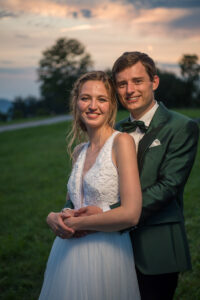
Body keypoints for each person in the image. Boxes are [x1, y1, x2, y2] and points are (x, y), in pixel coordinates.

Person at [48, 52, 199, 300]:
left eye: (138, 81)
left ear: (155, 82)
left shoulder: (181, 126)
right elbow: (84, 185)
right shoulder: (113, 132)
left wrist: (108, 212)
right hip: (107, 246)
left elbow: (168, 186)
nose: (130, 90)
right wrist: (66, 212)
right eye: (122, 84)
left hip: (155, 245)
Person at [39, 71, 142, 300]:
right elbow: (71, 204)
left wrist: (77, 223)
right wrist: (54, 217)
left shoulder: (121, 142)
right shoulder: (78, 152)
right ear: (76, 103)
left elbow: (131, 214)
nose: (92, 106)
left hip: (107, 252)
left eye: (101, 99)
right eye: (85, 98)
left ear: (111, 105)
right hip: (66, 254)